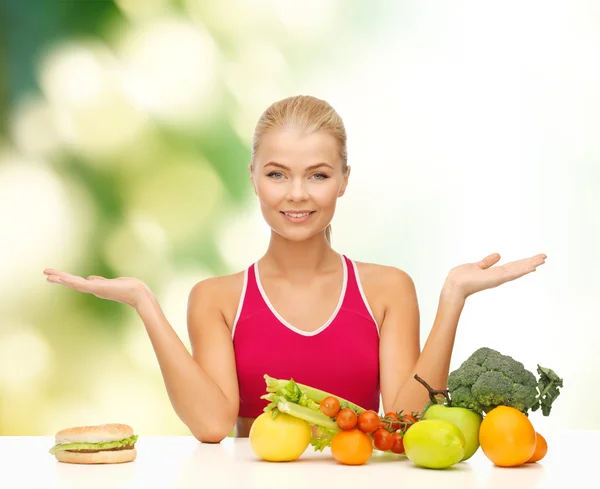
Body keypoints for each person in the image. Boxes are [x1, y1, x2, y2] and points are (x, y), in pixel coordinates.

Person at [43, 95, 546, 443]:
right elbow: (213, 426)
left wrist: (453, 297)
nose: (298, 194)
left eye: (319, 175)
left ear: (344, 180)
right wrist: (144, 303)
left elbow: (404, 420)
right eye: (278, 174)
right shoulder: (215, 299)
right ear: (254, 179)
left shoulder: (388, 289)